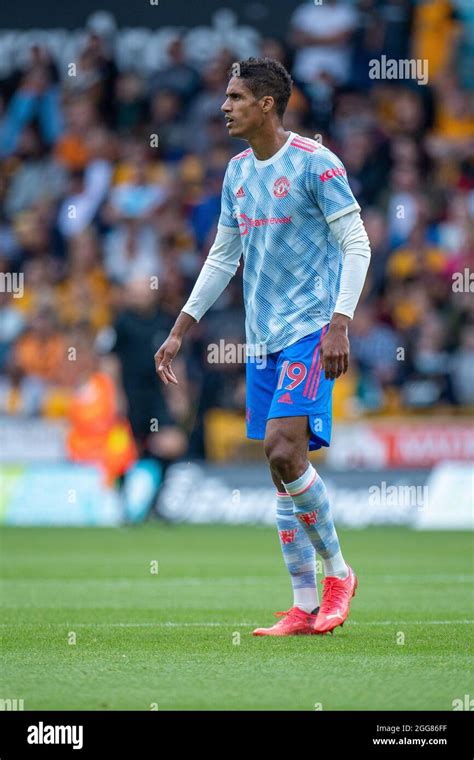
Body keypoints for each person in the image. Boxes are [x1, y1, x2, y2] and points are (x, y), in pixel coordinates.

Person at [154, 57, 371, 636]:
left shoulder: (314, 164)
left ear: (267, 103)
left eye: (235, 97)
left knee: (281, 448)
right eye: (226, 97)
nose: (224, 106)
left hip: (310, 330)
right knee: (282, 472)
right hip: (263, 338)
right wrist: (180, 329)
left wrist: (340, 323)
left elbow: (357, 243)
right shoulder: (236, 173)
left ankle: (339, 575)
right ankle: (302, 606)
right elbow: (224, 255)